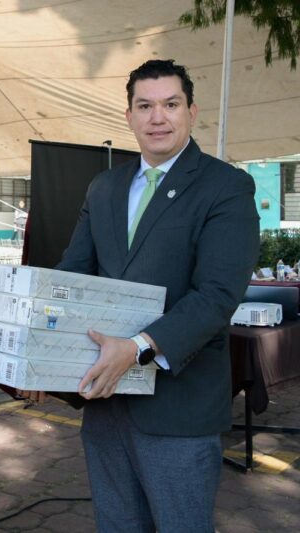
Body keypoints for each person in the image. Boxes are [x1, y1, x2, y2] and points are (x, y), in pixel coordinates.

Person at [23, 59, 260, 531]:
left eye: (171, 104)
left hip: (178, 408)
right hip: (106, 405)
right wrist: (38, 353)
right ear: (129, 116)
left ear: (191, 112)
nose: (158, 117)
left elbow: (217, 296)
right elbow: (74, 274)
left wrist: (136, 349)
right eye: (145, 106)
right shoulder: (105, 187)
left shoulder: (226, 186)